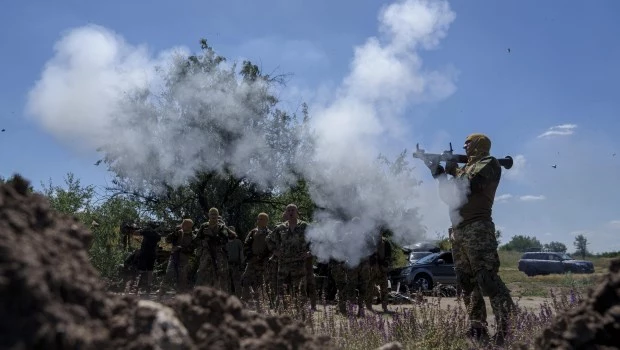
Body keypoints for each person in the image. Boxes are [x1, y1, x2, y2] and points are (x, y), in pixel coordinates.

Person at [426, 133, 514, 344]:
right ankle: (478, 328)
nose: (464, 146)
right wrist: (439, 173)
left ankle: (507, 329)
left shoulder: (489, 163)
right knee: (467, 283)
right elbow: (449, 197)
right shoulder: (465, 168)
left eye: (468, 142)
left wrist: (452, 169)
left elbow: (470, 186)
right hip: (458, 230)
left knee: (487, 278)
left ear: (478, 144)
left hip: (478, 228)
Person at [266, 204, 312, 311]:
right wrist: (275, 251)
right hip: (284, 265)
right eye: (289, 210)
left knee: (300, 290)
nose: (291, 212)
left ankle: (301, 314)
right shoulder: (280, 227)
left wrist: (310, 252)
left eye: (293, 210)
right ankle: (282, 315)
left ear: (297, 213)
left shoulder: (305, 226)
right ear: (286, 213)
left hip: (299, 264)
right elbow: (269, 239)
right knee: (281, 290)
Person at [193, 208, 230, 291]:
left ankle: (222, 295)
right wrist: (203, 242)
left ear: (218, 216)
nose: (213, 216)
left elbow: (226, 238)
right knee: (202, 272)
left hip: (219, 253)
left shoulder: (222, 227)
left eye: (215, 214)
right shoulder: (204, 226)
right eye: (212, 214)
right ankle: (197, 292)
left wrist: (217, 239)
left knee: (221, 273)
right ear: (208, 215)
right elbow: (196, 239)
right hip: (206, 253)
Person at [157, 219, 195, 295]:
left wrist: (181, 248)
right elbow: (167, 240)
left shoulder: (193, 236)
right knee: (169, 273)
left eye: (185, 225)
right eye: (183, 224)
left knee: (182, 276)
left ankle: (180, 293)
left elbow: (192, 248)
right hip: (174, 256)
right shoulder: (177, 233)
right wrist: (174, 234)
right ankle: (162, 290)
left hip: (184, 258)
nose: (183, 226)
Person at [241, 213, 272, 304]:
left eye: (261, 219)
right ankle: (245, 301)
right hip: (252, 262)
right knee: (246, 280)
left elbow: (272, 248)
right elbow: (246, 245)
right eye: (258, 219)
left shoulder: (270, 234)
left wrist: (264, 258)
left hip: (264, 263)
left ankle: (263, 302)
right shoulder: (253, 232)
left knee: (263, 283)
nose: (259, 221)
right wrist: (251, 256)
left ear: (266, 221)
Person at [226, 226, 244, 297]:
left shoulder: (238, 242)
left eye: (231, 232)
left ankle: (238, 298)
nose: (230, 233)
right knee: (228, 282)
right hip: (226, 265)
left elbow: (241, 253)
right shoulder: (224, 242)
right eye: (229, 232)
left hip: (236, 265)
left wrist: (242, 264)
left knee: (237, 282)